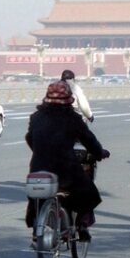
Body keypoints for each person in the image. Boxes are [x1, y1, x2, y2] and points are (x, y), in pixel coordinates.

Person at [25, 81, 110, 242]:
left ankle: (37, 227)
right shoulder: (72, 118)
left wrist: (40, 152)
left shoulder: (36, 117)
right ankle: (82, 225)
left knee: (36, 199)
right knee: (88, 192)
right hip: (66, 170)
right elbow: (89, 140)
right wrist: (100, 153)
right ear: (68, 98)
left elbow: (30, 138)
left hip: (39, 168)